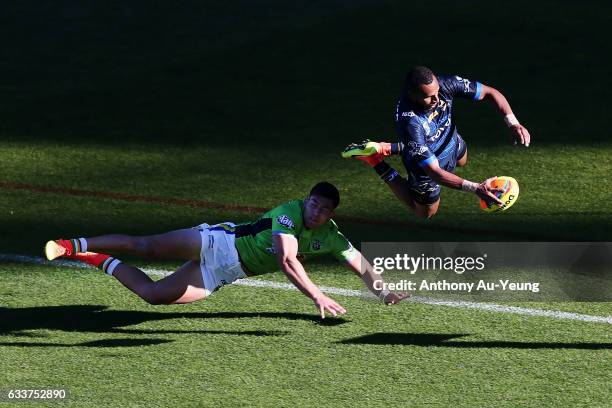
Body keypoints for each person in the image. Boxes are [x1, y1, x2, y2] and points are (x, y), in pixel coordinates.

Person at [44, 181, 408, 318]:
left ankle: (92, 257)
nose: (315, 211)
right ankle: (70, 244)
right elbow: (286, 259)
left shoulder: (328, 233)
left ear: (331, 213)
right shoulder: (287, 214)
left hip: (225, 271)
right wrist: (317, 296)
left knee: (153, 295)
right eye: (312, 204)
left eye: (323, 209)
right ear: (306, 201)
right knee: (147, 246)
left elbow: (357, 260)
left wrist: (384, 290)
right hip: (219, 241)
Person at [342, 66, 531, 218]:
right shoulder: (410, 123)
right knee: (425, 213)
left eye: (437, 92)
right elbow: (435, 173)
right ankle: (374, 160)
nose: (437, 99)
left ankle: (386, 148)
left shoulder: (445, 84)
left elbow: (490, 93)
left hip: (451, 142)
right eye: (428, 96)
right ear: (412, 94)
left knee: (462, 161)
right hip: (427, 168)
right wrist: (475, 188)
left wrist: (513, 123)